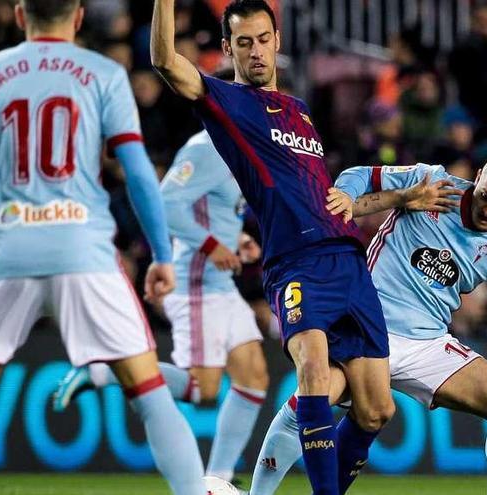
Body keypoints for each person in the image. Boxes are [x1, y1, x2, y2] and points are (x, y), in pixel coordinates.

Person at [0, 1, 206, 493]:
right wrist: (162, 255)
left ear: (20, 15)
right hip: (82, 252)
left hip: (8, 254)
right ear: (80, 17)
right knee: (151, 396)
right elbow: (136, 172)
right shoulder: (104, 73)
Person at [150, 1, 396, 493]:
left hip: (347, 259)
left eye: (263, 39)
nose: (256, 51)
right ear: (228, 49)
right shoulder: (226, 101)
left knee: (376, 409)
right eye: (244, 42)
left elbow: (305, 184)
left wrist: (348, 200)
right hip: (296, 263)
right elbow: (165, 60)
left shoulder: (300, 111)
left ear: (277, 40)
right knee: (313, 372)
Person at [250, 147, 487, 495]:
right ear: (477, 178)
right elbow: (358, 175)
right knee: (315, 398)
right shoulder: (432, 183)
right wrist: (347, 199)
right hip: (365, 323)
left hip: (427, 342)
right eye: (485, 196)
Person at [53, 127, 270, 483]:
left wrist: (237, 238)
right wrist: (211, 244)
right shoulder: (205, 148)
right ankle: (101, 371)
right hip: (196, 285)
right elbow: (164, 203)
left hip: (221, 285)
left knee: (254, 378)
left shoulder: (239, 149)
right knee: (203, 390)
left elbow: (212, 207)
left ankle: (217, 478)